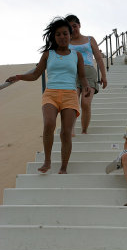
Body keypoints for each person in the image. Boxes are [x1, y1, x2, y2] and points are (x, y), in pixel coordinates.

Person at [5, 17, 90, 174]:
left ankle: (64, 166)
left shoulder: (76, 55)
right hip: (50, 93)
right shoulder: (47, 54)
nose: (62, 37)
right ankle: (47, 161)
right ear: (54, 37)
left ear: (70, 35)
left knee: (66, 132)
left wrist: (85, 87)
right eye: (58, 34)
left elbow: (83, 76)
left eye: (65, 33)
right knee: (49, 123)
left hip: (70, 95)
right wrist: (19, 77)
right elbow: (36, 74)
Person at [65, 14, 107, 134]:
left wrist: (104, 76)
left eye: (75, 26)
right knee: (72, 102)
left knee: (85, 103)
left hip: (89, 73)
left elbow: (98, 58)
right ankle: (71, 130)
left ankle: (84, 130)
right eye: (70, 27)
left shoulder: (89, 39)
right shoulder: (66, 42)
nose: (73, 29)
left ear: (79, 25)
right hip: (72, 74)